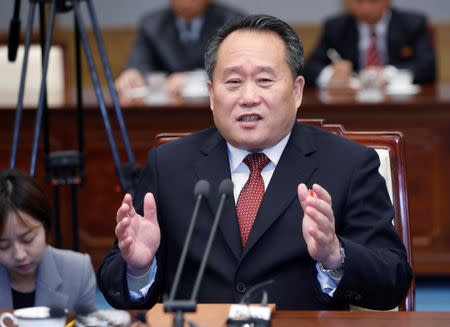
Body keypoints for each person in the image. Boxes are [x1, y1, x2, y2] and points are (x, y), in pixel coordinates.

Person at [98, 14, 412, 310]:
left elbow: (393, 279)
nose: (248, 97)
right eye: (233, 82)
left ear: (297, 91)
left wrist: (335, 254)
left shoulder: (349, 164)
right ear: (211, 94)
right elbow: (114, 283)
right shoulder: (168, 165)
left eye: (264, 81)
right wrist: (139, 268)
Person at [0, 169, 96, 310]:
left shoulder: (77, 270)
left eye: (28, 239)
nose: (19, 255)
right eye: (4, 246)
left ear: (45, 227)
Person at [114, 0, 244, 101]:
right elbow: (140, 62)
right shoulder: (152, 24)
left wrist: (192, 79)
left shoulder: (232, 22)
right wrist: (133, 73)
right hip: (164, 109)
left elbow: (237, 67)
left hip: (212, 107)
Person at [303, 0, 436, 88]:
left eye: (373, 1)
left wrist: (389, 74)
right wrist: (331, 75)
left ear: (387, 2)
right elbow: (309, 68)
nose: (365, 8)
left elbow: (427, 67)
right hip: (351, 104)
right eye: (359, 1)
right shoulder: (336, 27)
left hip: (398, 105)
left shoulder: (412, 24)